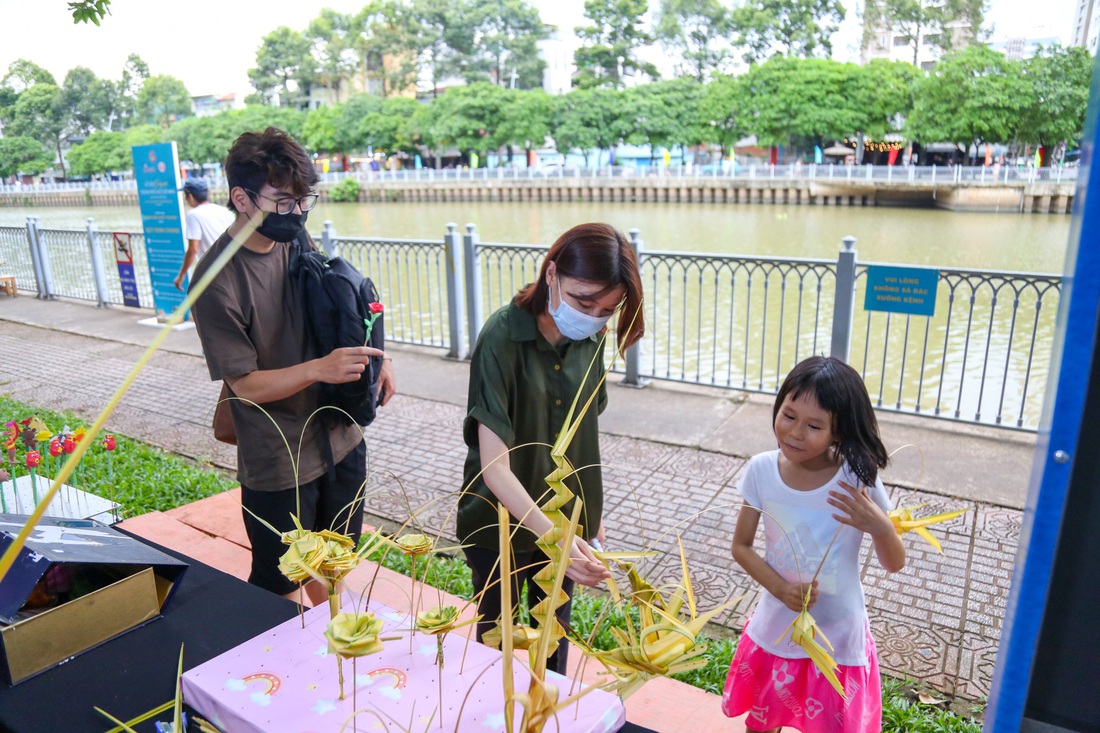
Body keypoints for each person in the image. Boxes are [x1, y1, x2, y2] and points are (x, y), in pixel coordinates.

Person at [190, 127, 396, 605]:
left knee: (335, 560)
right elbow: (243, 387)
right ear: (241, 198)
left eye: (305, 200)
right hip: (280, 459)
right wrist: (319, 369)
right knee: (281, 582)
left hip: (339, 435)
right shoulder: (216, 282)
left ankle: (336, 652)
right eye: (283, 201)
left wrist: (373, 358)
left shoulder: (295, 235)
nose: (297, 212)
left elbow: (336, 305)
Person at [456, 222, 645, 675]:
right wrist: (557, 540)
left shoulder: (592, 339)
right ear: (552, 273)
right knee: (495, 636)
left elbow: (584, 439)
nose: (594, 316)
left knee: (553, 636)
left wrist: (589, 523)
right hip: (497, 519)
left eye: (607, 308)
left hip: (565, 523)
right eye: (584, 301)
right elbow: (495, 468)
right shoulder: (502, 336)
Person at [723, 356, 905, 732]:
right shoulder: (760, 470)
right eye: (788, 416)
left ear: (838, 431)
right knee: (761, 723)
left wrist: (882, 528)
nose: (795, 433)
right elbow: (741, 546)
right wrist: (782, 588)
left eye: (814, 426)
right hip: (777, 626)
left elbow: (894, 563)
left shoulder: (857, 478)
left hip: (838, 634)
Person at [174, 178, 234, 291]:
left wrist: (181, 275)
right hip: (231, 268)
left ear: (190, 196)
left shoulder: (193, 215)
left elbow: (193, 249)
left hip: (211, 272)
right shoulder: (225, 211)